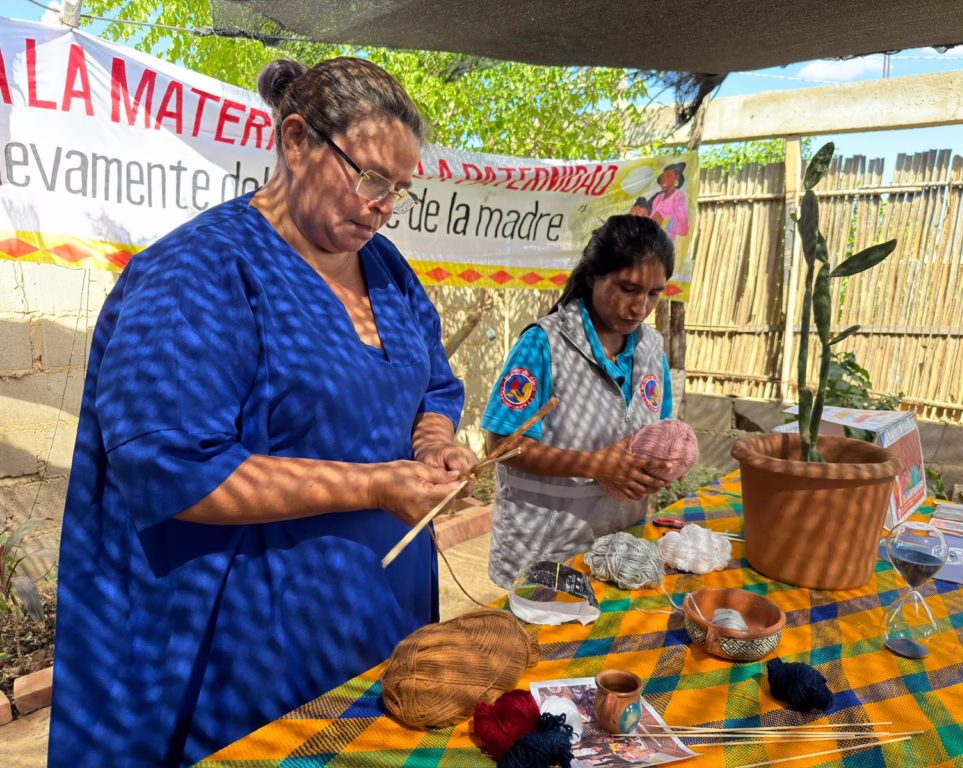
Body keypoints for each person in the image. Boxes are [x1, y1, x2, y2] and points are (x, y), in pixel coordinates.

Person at [48, 57, 476, 768]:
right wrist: (373, 485)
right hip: (250, 647)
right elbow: (174, 468)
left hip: (378, 615)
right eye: (369, 176)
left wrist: (434, 444)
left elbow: (433, 385)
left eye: (398, 190)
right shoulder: (198, 273)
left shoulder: (391, 273)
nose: (382, 205)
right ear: (298, 140)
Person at [481, 215, 676, 588]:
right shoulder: (544, 345)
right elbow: (500, 445)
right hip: (546, 548)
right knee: (540, 642)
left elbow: (659, 433)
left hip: (620, 546)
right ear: (593, 276)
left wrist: (662, 466)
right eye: (628, 288)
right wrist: (595, 465)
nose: (640, 307)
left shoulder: (652, 350)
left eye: (653, 294)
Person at [650, 162, 690, 238]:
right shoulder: (658, 198)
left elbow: (684, 229)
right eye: (662, 176)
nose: (663, 179)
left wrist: (663, 222)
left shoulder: (679, 197)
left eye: (668, 175)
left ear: (677, 177)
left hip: (666, 246)